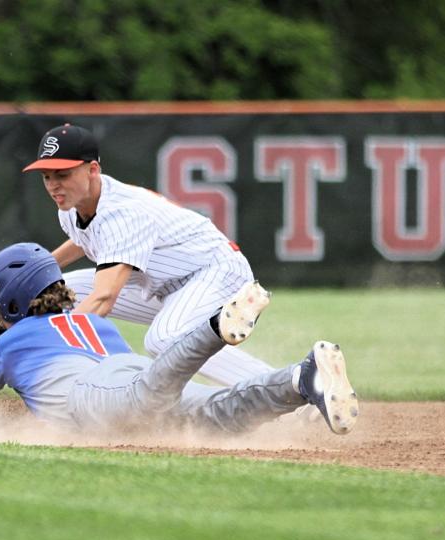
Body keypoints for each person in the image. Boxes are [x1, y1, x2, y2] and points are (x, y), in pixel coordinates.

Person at [0, 243, 359, 436]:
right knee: (219, 415)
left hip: (100, 394)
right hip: (124, 374)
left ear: (12, 304)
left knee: (150, 394)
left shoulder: (11, 340)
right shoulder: (97, 323)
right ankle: (301, 379)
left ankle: (214, 328)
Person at [21, 123, 275, 387]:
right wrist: (43, 270)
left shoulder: (122, 213)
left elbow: (103, 299)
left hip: (214, 272)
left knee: (164, 339)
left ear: (92, 169)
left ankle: (284, 386)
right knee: (61, 293)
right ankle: (211, 325)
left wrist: (51, 345)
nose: (53, 186)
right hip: (166, 284)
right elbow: (86, 238)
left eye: (62, 174)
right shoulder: (72, 208)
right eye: (46, 176)